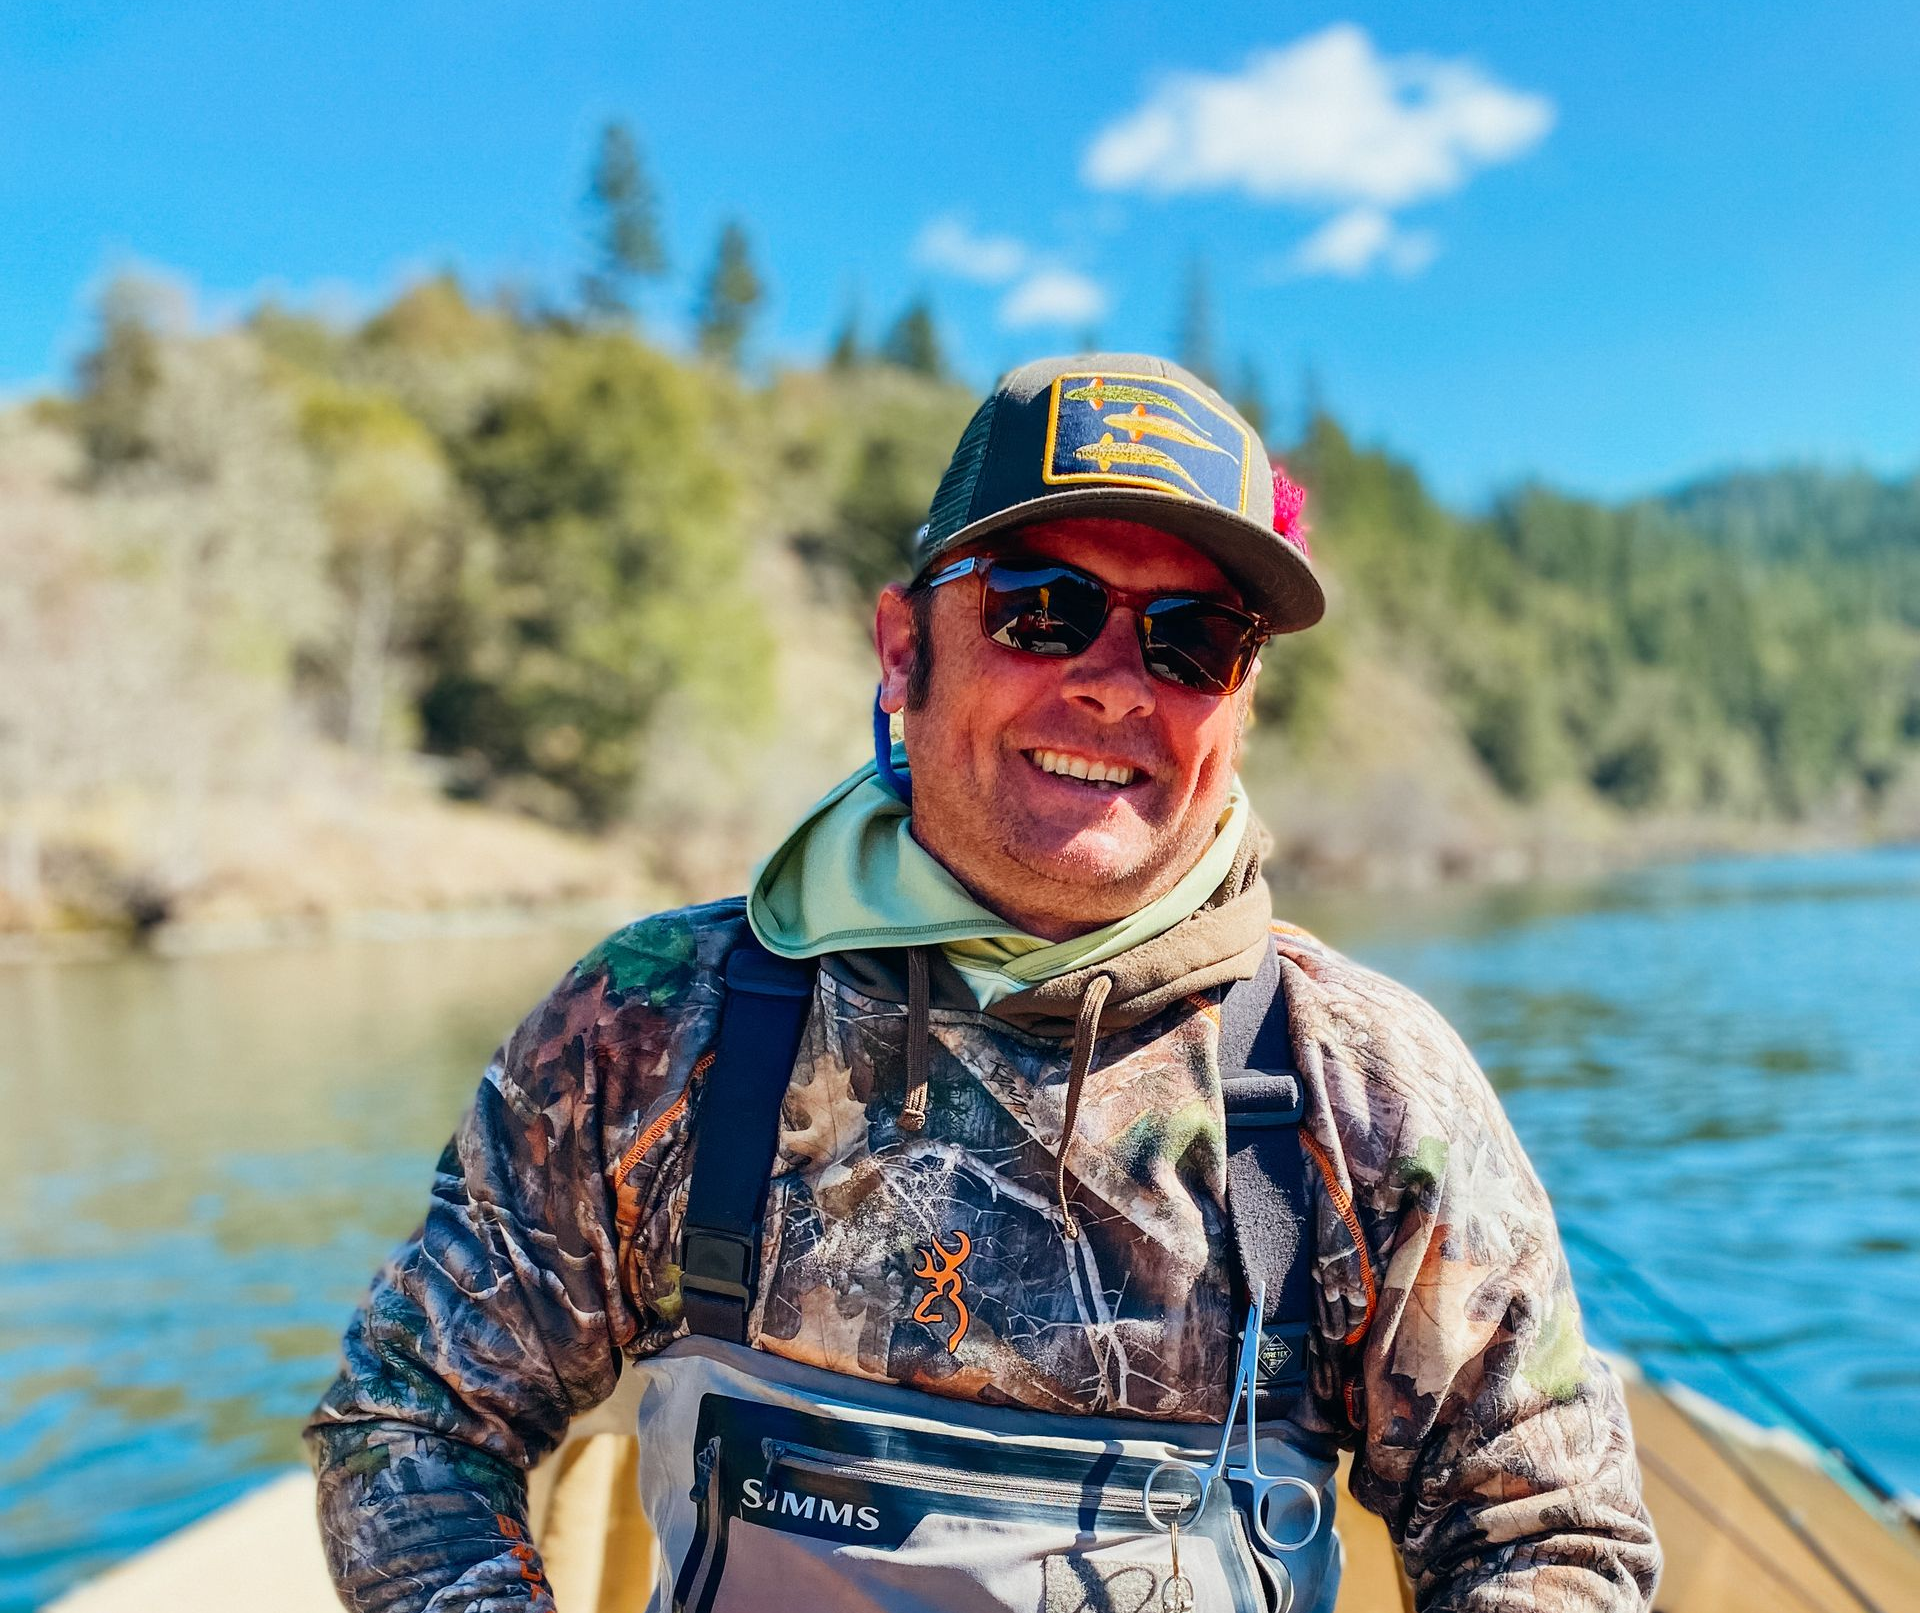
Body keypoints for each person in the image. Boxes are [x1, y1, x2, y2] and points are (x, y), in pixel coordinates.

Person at [306, 353, 1660, 1612]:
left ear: (1241, 703)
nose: (1118, 685)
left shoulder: (1358, 1087)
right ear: (905, 651)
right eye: (1044, 609)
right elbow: (415, 1410)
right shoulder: (660, 1025)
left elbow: (1544, 1537)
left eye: (1196, 641)